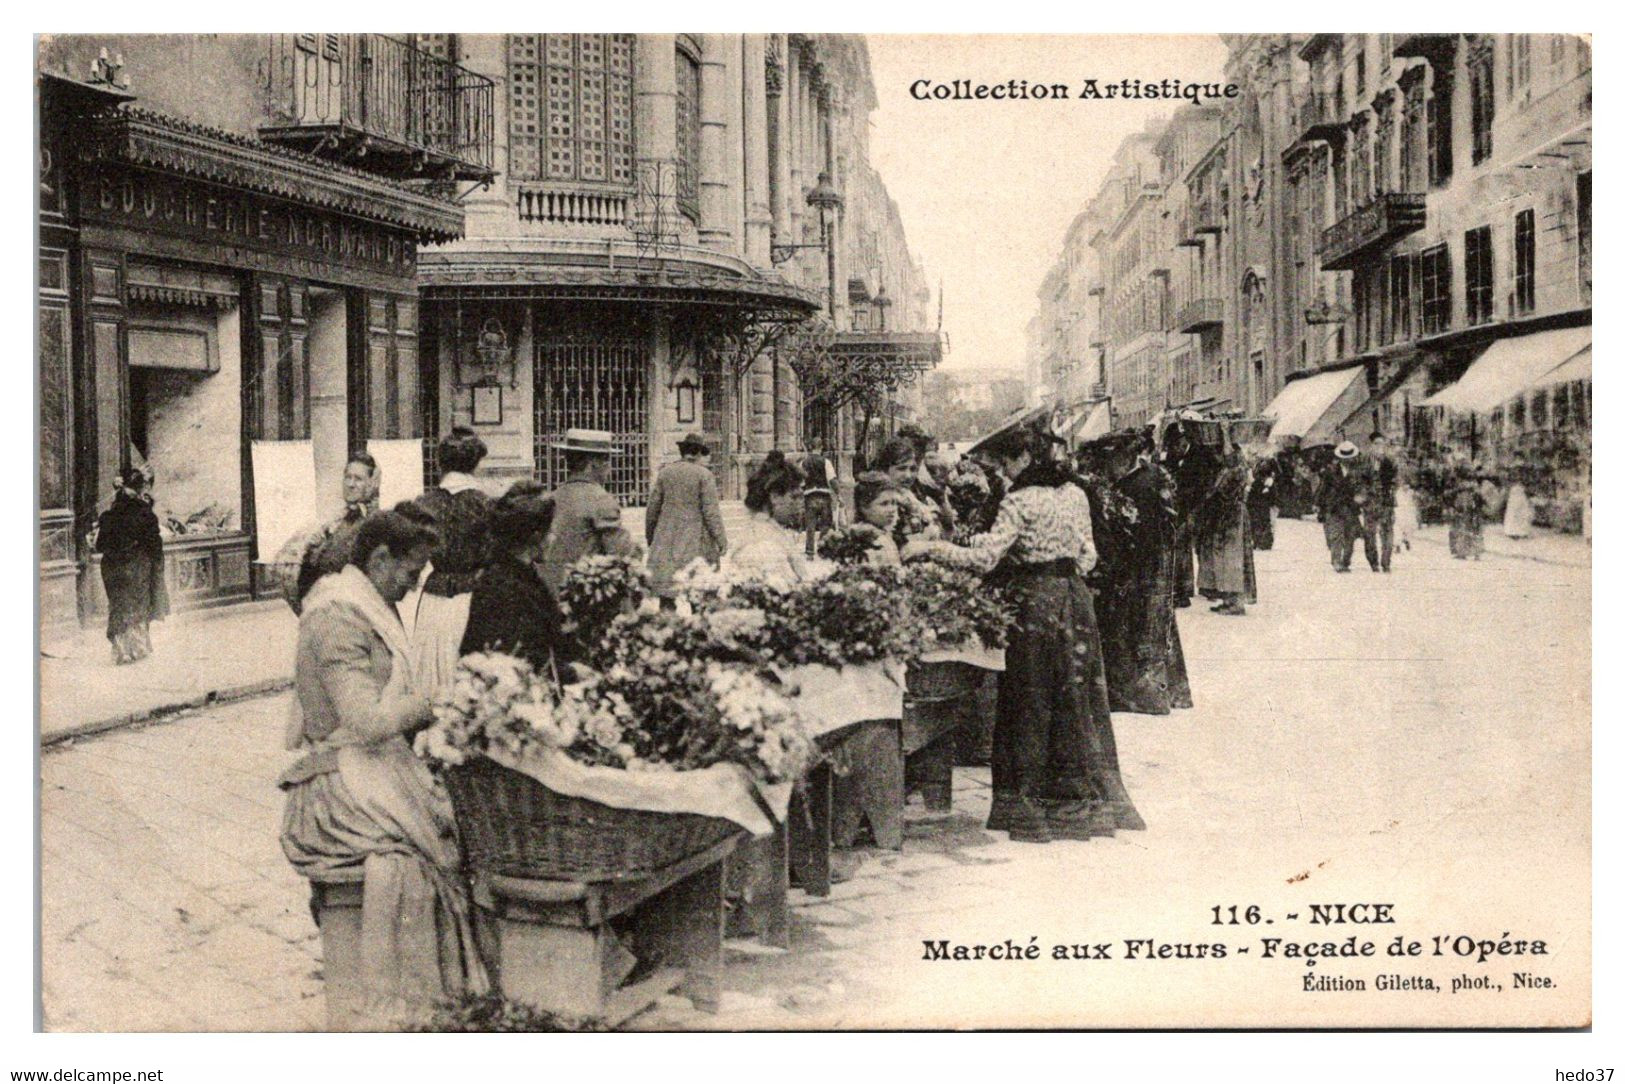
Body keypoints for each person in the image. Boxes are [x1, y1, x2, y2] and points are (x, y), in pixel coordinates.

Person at [279, 510, 488, 1024]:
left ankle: (433, 1002)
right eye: (409, 573)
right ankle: (398, 1010)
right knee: (429, 857)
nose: (412, 585)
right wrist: (439, 698)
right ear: (378, 560)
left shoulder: (365, 605)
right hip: (337, 788)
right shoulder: (337, 617)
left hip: (368, 769)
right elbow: (366, 720)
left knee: (451, 835)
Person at [903, 427, 1144, 844]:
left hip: (1035, 604)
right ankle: (1083, 805)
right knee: (1078, 699)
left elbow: (984, 557)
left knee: (1030, 699)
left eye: (1006, 464)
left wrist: (928, 550)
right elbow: (1088, 556)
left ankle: (1029, 806)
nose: (1005, 473)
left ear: (1021, 461)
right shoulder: (1075, 493)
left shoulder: (1018, 500)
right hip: (1075, 601)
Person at [409, 428, 495, 694]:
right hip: (474, 597)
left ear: (441, 464)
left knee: (431, 675)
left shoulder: (424, 503)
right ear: (475, 463)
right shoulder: (486, 504)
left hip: (434, 599)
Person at [461, 485, 571, 674]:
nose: (554, 537)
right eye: (550, 530)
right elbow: (521, 657)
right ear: (536, 536)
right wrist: (571, 673)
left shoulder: (515, 573)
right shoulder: (505, 585)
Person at [538, 428, 639, 596]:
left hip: (548, 595)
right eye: (607, 461)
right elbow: (621, 554)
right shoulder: (601, 499)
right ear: (593, 463)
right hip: (582, 597)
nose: (609, 469)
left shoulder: (551, 498)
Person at [278, 453, 383, 614]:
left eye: (358, 479)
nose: (351, 484)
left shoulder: (375, 525)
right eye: (347, 477)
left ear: (371, 484)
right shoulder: (335, 521)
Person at [95, 468, 169, 664]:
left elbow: (100, 545)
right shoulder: (146, 514)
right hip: (136, 567)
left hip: (112, 568)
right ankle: (137, 649)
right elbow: (155, 545)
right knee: (137, 606)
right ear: (140, 488)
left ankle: (120, 651)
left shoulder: (108, 516)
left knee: (118, 606)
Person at [645, 434, 728, 602]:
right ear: (698, 453)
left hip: (667, 539)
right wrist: (721, 540)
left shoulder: (665, 473)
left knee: (667, 594)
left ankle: (667, 626)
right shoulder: (704, 475)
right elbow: (711, 512)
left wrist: (651, 536)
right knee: (699, 592)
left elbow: (652, 508)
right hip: (696, 540)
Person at [1195, 439, 1252, 614]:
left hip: (1233, 518)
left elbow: (1220, 493)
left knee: (1232, 559)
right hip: (1225, 518)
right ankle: (1228, 599)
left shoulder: (1236, 471)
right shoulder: (1227, 471)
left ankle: (1236, 603)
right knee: (1223, 560)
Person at [730, 457, 809, 583]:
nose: (801, 504)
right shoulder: (763, 544)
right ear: (775, 497)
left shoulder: (771, 531)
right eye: (795, 497)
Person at [1319, 442, 1372, 573]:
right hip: (1335, 507)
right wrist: (1319, 506)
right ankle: (1336, 561)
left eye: (1350, 457)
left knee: (1350, 536)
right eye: (1345, 458)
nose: (1348, 460)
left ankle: (1345, 561)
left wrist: (1362, 498)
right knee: (1336, 535)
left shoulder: (1358, 472)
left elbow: (1364, 487)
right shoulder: (1330, 472)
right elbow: (1323, 489)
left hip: (1351, 508)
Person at [849, 471, 907, 566]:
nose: (892, 509)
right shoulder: (864, 539)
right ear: (864, 507)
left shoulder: (885, 534)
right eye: (884, 504)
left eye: (894, 503)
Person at [801, 448, 839, 558]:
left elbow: (801, 481)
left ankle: (809, 553)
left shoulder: (803, 463)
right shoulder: (826, 462)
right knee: (825, 525)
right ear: (820, 447)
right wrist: (838, 494)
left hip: (809, 496)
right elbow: (832, 480)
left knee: (810, 526)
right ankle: (822, 549)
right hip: (824, 496)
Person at [1448, 466, 1488, 560]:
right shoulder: (1473, 486)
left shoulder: (1461, 487)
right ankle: (1476, 553)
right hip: (1472, 512)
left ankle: (1462, 553)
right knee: (1473, 531)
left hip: (1465, 511)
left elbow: (1458, 501)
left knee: (1461, 531)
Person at [1246, 452, 1279, 551]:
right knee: (1265, 523)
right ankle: (1264, 542)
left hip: (1257, 507)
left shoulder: (1256, 483)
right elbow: (1274, 496)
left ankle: (1258, 541)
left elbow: (1251, 496)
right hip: (1264, 507)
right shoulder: (1269, 483)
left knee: (1256, 524)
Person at [1503, 460, 1535, 540]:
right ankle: (1512, 531)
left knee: (1521, 513)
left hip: (1520, 496)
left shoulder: (1523, 478)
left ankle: (1521, 532)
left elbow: (1526, 486)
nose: (1518, 472)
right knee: (1514, 512)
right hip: (1515, 495)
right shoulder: (1513, 479)